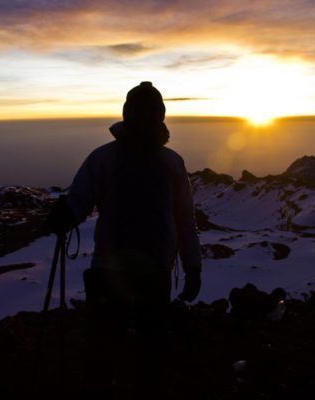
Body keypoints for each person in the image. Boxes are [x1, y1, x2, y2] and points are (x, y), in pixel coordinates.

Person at [46, 81, 202, 398]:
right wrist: (192, 268)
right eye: (142, 111)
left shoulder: (109, 158)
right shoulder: (167, 162)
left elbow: (80, 198)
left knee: (110, 351)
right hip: (146, 271)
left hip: (116, 270)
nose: (145, 117)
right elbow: (185, 221)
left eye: (149, 111)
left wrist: (66, 215)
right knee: (143, 353)